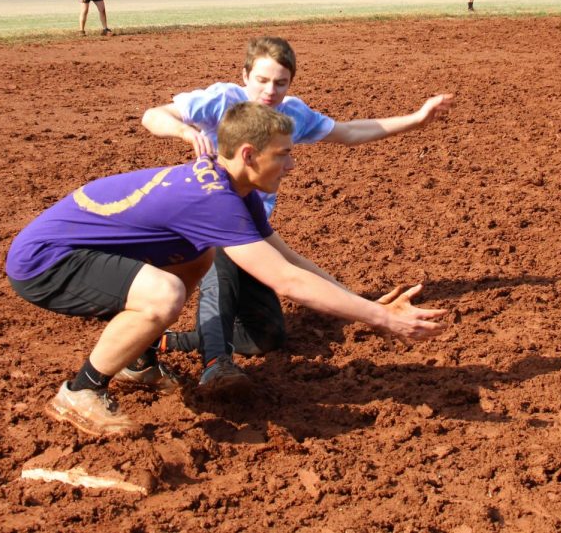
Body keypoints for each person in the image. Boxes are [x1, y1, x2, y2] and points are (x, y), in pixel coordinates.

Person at [6, 102, 448, 436]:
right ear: (250, 154)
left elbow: (289, 258)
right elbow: (287, 281)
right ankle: (81, 390)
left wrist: (363, 303)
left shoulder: (236, 190)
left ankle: (137, 360)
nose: (292, 165)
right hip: (44, 261)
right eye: (284, 155)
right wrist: (382, 320)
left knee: (199, 255)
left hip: (76, 249)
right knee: (164, 295)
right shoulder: (214, 201)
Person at [141, 37, 455, 389]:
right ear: (244, 75)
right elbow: (153, 115)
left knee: (266, 338)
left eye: (280, 82)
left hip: (253, 230)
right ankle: (216, 363)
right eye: (261, 80)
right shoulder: (223, 101)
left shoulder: (291, 114)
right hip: (211, 224)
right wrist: (184, 130)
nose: (270, 91)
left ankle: (161, 341)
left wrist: (417, 118)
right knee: (223, 256)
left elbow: (349, 132)